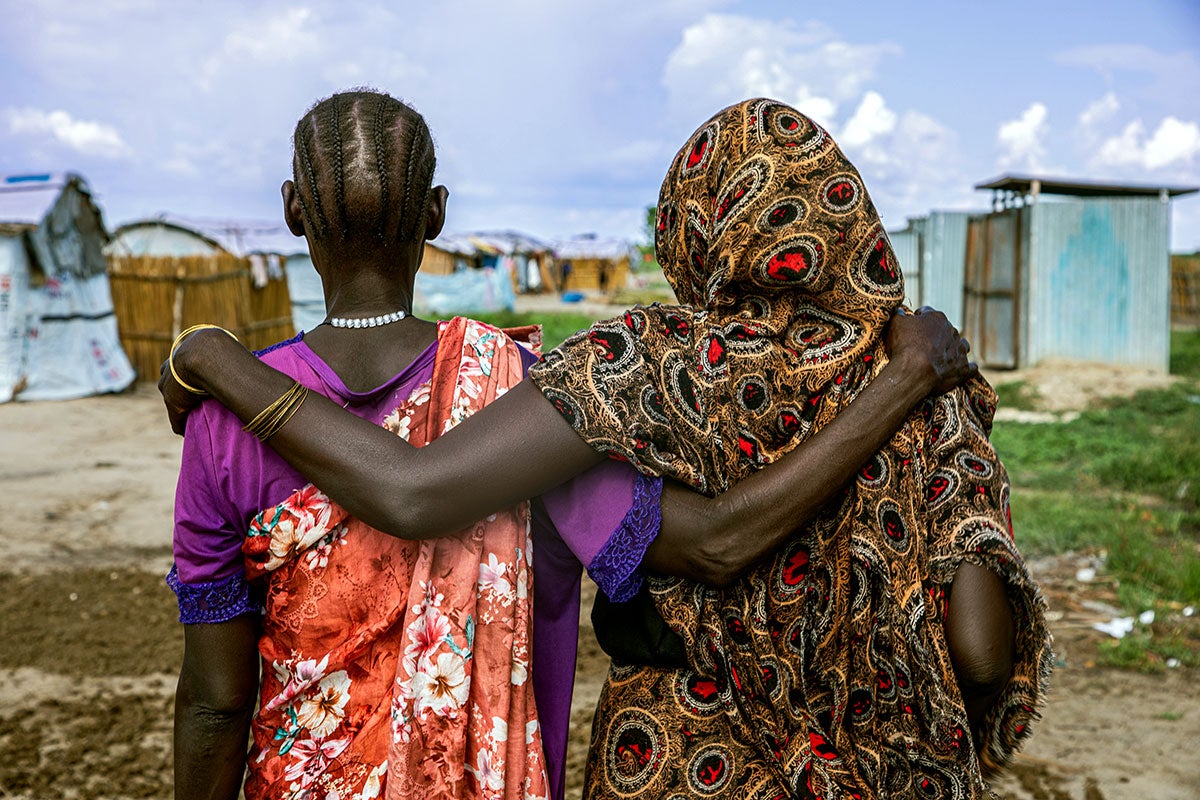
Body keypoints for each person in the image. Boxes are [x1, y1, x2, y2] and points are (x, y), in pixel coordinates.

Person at [162, 94, 1029, 799]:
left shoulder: (223, 424)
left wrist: (207, 355)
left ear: (288, 213)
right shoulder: (512, 389)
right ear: (436, 216)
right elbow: (714, 542)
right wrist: (902, 383)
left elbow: (213, 699)